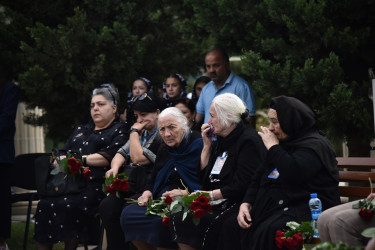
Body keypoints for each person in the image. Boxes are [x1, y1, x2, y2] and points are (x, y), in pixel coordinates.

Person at [219, 95, 341, 250]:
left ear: (291, 121)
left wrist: (273, 148)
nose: (270, 127)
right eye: (270, 121)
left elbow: (293, 173)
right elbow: (259, 175)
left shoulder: (315, 145)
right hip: (281, 205)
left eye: (275, 122)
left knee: (270, 231)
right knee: (232, 225)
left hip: (309, 208)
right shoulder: (284, 143)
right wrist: (246, 203)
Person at [34, 84, 128, 250]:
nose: (95, 109)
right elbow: (63, 152)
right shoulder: (81, 129)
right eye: (92, 106)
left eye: (101, 104)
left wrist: (78, 160)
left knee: (68, 204)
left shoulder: (119, 130)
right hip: (68, 183)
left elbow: (109, 156)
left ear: (114, 108)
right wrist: (59, 159)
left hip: (95, 185)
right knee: (44, 204)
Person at [170, 93, 266, 250]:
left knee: (192, 220)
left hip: (238, 201)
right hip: (218, 199)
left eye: (213, 116)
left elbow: (242, 184)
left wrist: (209, 195)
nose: (209, 121)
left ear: (227, 118)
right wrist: (207, 146)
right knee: (179, 216)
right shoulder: (221, 139)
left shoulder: (249, 141)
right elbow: (204, 178)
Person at [120, 107, 203, 250]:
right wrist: (147, 192)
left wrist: (186, 193)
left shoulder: (199, 144)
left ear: (184, 125)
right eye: (162, 129)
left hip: (187, 199)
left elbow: (206, 181)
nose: (167, 134)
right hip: (161, 198)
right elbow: (153, 178)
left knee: (160, 222)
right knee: (128, 214)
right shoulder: (164, 148)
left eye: (172, 127)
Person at [99, 92, 164, 250]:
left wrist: (134, 132)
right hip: (133, 183)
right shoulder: (142, 132)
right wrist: (114, 168)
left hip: (151, 186)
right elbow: (121, 153)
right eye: (136, 116)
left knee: (126, 209)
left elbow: (138, 158)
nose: (139, 120)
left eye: (143, 115)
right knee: (107, 206)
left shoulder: (161, 134)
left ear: (157, 112)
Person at [195, 48, 256, 128]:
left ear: (227, 65)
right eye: (208, 66)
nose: (211, 70)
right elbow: (198, 118)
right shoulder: (206, 88)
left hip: (233, 140)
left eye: (216, 65)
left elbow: (250, 120)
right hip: (208, 139)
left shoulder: (241, 87)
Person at [0, 62, 18, 250]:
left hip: (1, 156)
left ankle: (1, 243)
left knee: (1, 203)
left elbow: (6, 119)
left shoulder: (9, 89)